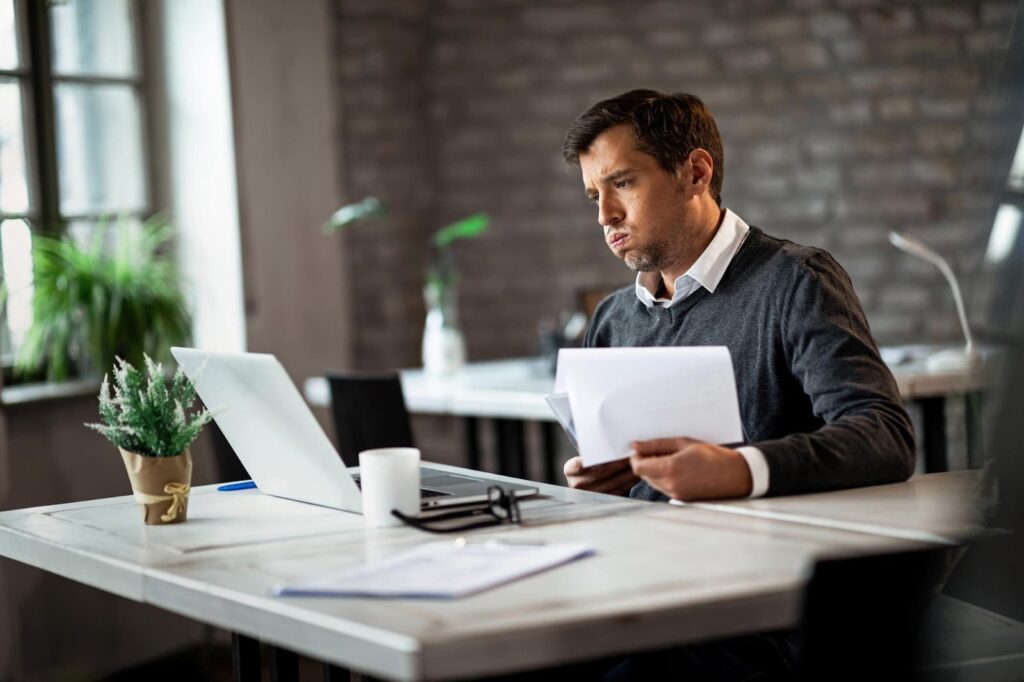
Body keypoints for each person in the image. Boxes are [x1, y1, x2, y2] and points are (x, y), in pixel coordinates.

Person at [560, 89, 915, 505]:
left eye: (622, 182)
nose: (605, 215)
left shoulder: (797, 282)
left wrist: (741, 470)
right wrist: (603, 479)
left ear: (696, 173)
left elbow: (884, 436)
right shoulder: (612, 319)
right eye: (594, 197)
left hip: (771, 558)